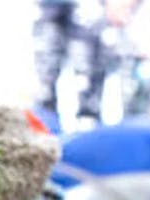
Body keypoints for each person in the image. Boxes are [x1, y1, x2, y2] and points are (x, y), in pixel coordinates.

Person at [32, 0, 110, 131]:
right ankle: (45, 137)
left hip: (86, 9)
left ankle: (89, 138)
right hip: (47, 6)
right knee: (43, 87)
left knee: (86, 83)